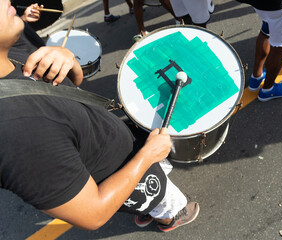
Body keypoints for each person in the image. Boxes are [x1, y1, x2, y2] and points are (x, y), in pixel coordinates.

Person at [0, 0, 199, 232]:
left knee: (147, 192)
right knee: (165, 198)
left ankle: (145, 208)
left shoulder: (12, 45)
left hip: (113, 144)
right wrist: (147, 156)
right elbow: (93, 215)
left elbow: (71, 85)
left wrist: (67, 59)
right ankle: (169, 217)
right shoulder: (14, 133)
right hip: (113, 173)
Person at [237, 0, 282, 101]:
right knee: (279, 47)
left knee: (266, 30)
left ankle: (256, 77)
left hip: (259, 4)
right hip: (281, 6)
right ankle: (268, 89)